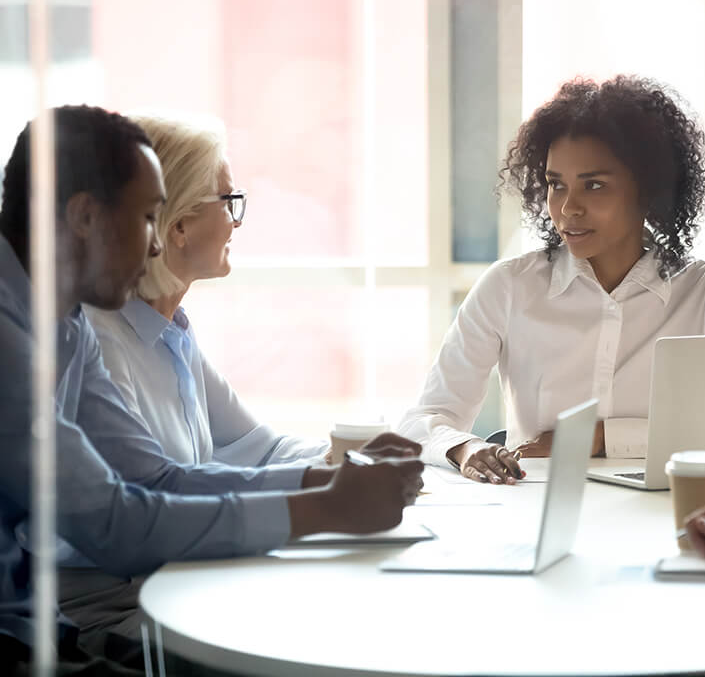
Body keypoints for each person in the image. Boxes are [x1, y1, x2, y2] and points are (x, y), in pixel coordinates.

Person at [0, 105, 424, 676]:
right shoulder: (10, 336)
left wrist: (326, 480)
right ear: (84, 217)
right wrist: (326, 505)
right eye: (149, 218)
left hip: (49, 631)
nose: (154, 246)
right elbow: (116, 524)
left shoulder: (69, 324)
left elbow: (155, 477)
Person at [399, 75, 705, 484]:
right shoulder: (509, 288)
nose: (568, 207)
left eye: (595, 185)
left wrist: (598, 437)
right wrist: (468, 448)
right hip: (533, 508)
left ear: (649, 191)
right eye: (556, 185)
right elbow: (425, 418)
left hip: (666, 511)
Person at [83, 113, 327, 469]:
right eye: (229, 202)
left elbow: (261, 448)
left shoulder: (172, 335)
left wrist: (350, 455)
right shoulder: (101, 343)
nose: (236, 221)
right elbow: (153, 497)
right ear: (179, 225)